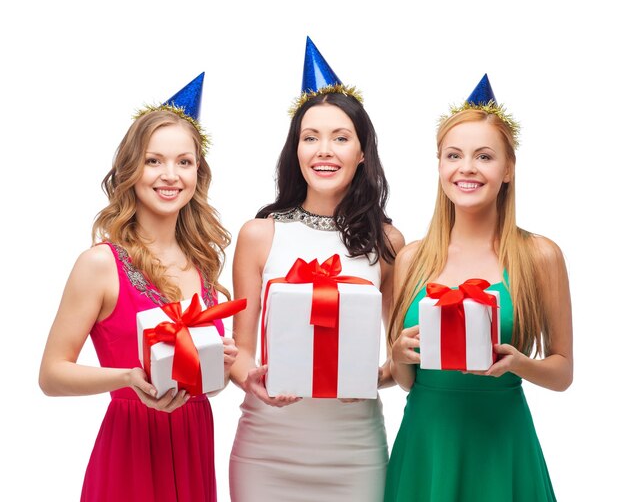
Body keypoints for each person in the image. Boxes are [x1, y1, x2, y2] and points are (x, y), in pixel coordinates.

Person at [38, 73, 238, 502]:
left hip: (193, 442)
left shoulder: (202, 262)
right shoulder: (100, 265)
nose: (170, 175)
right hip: (129, 449)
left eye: (184, 162)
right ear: (131, 170)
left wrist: (218, 366)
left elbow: (205, 386)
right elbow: (51, 375)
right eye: (154, 161)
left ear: (198, 172)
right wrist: (128, 379)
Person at [228, 37, 404, 502]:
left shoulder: (388, 243)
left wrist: (375, 378)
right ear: (296, 149)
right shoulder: (259, 234)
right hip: (267, 446)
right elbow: (241, 352)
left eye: (340, 138)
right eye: (311, 137)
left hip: (354, 447)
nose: (323, 150)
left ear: (363, 152)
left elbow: (400, 357)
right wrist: (252, 378)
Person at [384, 74, 573, 502]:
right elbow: (408, 382)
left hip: (502, 442)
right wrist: (397, 356)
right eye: (454, 155)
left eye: (484, 156)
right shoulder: (413, 258)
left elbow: (562, 373)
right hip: (427, 443)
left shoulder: (540, 256)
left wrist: (517, 363)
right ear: (439, 167)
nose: (466, 168)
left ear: (507, 170)